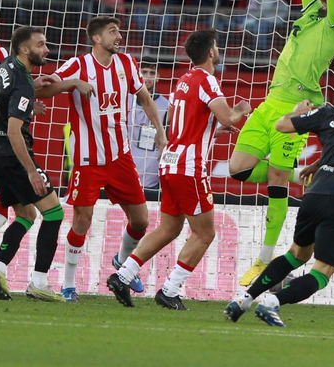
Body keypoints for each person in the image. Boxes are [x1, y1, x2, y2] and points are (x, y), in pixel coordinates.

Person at [226, 0, 334, 285]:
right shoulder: (310, 12)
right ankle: (297, 173)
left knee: (277, 179)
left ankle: (264, 259)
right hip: (269, 102)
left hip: (297, 106)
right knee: (239, 169)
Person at [225, 64, 334, 327]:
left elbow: (282, 125)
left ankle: (245, 299)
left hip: (314, 194)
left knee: (296, 254)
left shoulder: (329, 113)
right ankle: (272, 303)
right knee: (323, 271)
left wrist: (298, 112)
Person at [106, 29, 251, 308]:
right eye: (217, 47)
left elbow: (177, 121)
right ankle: (170, 290)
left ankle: (123, 276)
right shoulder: (208, 81)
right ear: (211, 52)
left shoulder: (184, 80)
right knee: (205, 233)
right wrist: (241, 110)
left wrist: (212, 130)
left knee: (169, 228)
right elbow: (227, 114)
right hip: (190, 167)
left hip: (170, 161)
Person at [52, 15, 165, 301]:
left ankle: (122, 263)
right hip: (88, 159)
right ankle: (68, 285)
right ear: (97, 38)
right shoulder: (78, 65)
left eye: (120, 31)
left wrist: (161, 133)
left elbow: (146, 99)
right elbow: (44, 86)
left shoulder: (127, 64)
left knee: (141, 220)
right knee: (82, 220)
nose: (119, 36)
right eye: (113, 32)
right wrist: (73, 83)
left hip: (120, 157)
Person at [0, 26, 70, 301]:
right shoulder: (23, 81)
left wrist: (24, 105)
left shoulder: (6, 64)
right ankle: (39, 282)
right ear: (25, 50)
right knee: (54, 214)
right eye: (41, 44)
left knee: (26, 215)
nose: (46, 50)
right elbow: (14, 131)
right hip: (14, 157)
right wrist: (31, 170)